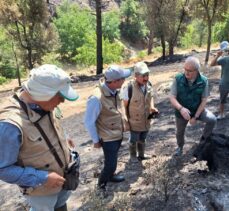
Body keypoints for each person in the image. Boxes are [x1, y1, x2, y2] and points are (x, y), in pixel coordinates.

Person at [0, 64, 79, 211]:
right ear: (43, 94)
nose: (62, 101)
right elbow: (3, 169)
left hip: (62, 180)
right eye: (60, 96)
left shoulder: (44, 104)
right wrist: (42, 178)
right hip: (41, 192)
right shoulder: (9, 125)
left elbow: (48, 127)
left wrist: (64, 137)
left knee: (61, 206)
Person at [84, 65, 131, 192]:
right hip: (108, 137)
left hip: (116, 134)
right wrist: (95, 141)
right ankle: (101, 185)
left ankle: (110, 176)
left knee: (113, 160)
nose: (124, 81)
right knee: (110, 164)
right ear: (115, 81)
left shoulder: (114, 90)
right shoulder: (96, 98)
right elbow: (89, 122)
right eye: (122, 79)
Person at [169, 56, 216, 156]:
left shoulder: (203, 81)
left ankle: (203, 142)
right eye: (185, 69)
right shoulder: (178, 79)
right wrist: (181, 109)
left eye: (189, 71)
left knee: (212, 119)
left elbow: (204, 100)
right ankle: (180, 147)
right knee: (179, 132)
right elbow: (172, 97)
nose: (186, 73)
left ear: (196, 71)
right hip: (181, 111)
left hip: (197, 109)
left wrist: (195, 116)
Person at [122, 62, 158, 162]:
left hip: (147, 119)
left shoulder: (148, 84)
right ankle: (133, 156)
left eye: (147, 75)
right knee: (133, 139)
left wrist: (152, 107)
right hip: (134, 121)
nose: (146, 78)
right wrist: (125, 121)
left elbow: (150, 97)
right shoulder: (128, 88)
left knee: (143, 138)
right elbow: (123, 106)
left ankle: (141, 154)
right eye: (143, 76)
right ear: (136, 76)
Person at [210, 41, 229, 119]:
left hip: (224, 82)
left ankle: (221, 114)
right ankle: (221, 114)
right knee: (222, 99)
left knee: (222, 100)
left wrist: (217, 56)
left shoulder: (224, 59)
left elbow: (212, 64)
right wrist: (218, 55)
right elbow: (212, 64)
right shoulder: (224, 59)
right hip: (224, 82)